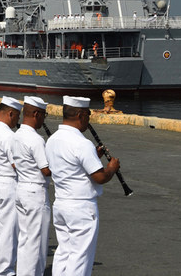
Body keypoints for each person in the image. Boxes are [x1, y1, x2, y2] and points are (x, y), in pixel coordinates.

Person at [45, 96, 120, 276]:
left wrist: (94, 156)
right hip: (81, 207)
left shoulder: (53, 139)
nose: (89, 118)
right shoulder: (82, 143)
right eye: (88, 114)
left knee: (64, 253)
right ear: (80, 115)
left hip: (61, 203)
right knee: (80, 257)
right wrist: (112, 168)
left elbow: (71, 165)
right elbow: (100, 177)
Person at [13, 96, 51, 276]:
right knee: (37, 242)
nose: (44, 119)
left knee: (25, 239)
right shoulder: (36, 139)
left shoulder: (16, 135)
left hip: (22, 187)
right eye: (44, 115)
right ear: (36, 114)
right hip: (36, 191)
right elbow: (46, 170)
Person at [0, 96, 22, 275]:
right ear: (10, 113)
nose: (18, 120)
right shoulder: (9, 136)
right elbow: (17, 164)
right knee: (8, 230)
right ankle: (5, 270)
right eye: (17, 116)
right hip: (8, 183)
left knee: (0, 228)